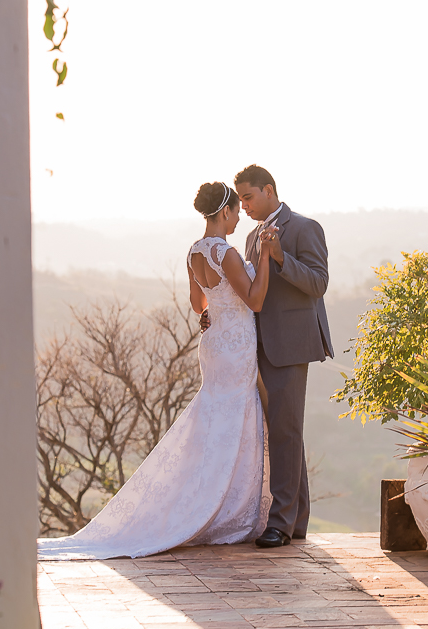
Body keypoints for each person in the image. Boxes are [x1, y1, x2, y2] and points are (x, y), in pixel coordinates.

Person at [37, 182, 275, 560]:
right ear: (226, 211)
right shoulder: (225, 251)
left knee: (213, 418)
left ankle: (209, 500)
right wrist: (262, 254)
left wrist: (215, 312)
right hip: (236, 349)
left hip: (214, 347)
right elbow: (257, 299)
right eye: (234, 212)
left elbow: (199, 304)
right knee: (234, 419)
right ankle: (226, 510)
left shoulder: (194, 252)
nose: (235, 220)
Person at [234, 165, 333, 548]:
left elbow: (318, 283)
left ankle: (279, 523)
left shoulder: (305, 227)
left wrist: (278, 258)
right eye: (240, 199)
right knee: (285, 430)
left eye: (249, 197)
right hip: (257, 345)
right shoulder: (249, 236)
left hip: (292, 344)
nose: (244, 206)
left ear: (269, 190)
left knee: (285, 431)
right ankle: (297, 522)